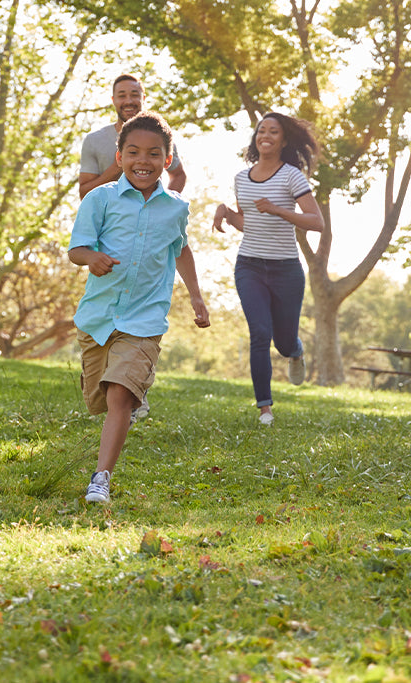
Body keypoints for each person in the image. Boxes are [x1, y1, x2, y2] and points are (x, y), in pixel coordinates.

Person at [69, 111, 209, 504]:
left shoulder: (176, 208)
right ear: (119, 155)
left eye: (153, 153)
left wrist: (196, 296)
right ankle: (130, 390)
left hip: (145, 318)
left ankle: (101, 479)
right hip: (97, 318)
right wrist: (91, 258)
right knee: (100, 396)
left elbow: (180, 249)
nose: (142, 161)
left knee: (118, 395)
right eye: (132, 152)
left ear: (167, 159)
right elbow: (77, 248)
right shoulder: (100, 198)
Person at [79, 74, 187, 421]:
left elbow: (177, 175)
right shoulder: (95, 140)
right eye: (122, 94)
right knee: (104, 306)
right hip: (105, 223)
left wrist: (165, 208)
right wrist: (121, 167)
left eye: (135, 94)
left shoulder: (159, 133)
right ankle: (111, 372)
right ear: (113, 99)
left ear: (143, 97)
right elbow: (85, 190)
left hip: (150, 223)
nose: (128, 99)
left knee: (123, 383)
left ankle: (132, 376)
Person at [212, 112, 324, 425]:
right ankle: (265, 409)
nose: (266, 136)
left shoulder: (292, 176)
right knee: (259, 333)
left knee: (283, 342)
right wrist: (225, 213)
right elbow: (249, 225)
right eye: (262, 130)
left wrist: (278, 209)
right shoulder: (241, 178)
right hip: (249, 266)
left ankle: (296, 351)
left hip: (286, 269)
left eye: (274, 132)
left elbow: (317, 223)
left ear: (284, 140)